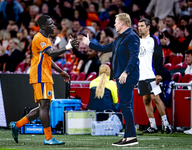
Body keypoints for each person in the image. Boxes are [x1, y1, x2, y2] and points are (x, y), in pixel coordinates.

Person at [10, 15, 78, 145]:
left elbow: (48, 59)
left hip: (44, 76)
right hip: (40, 76)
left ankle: (17, 125)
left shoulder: (45, 39)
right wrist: (67, 47)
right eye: (50, 24)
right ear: (43, 26)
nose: (53, 26)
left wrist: (61, 72)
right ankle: (48, 138)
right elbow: (51, 53)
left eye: (53, 23)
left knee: (44, 106)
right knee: (44, 107)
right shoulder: (40, 38)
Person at [83, 13, 139, 146]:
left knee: (126, 106)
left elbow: (134, 57)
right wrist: (89, 43)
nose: (114, 24)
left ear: (122, 23)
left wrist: (126, 72)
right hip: (121, 76)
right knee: (126, 106)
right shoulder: (120, 38)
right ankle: (129, 136)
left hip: (127, 76)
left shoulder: (132, 37)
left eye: (116, 22)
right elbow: (104, 48)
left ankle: (131, 137)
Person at [137, 18, 173, 134]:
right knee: (146, 99)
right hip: (141, 76)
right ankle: (152, 125)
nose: (140, 27)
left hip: (152, 74)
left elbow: (159, 57)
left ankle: (166, 124)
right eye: (139, 26)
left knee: (155, 98)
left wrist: (158, 74)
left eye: (142, 25)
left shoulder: (154, 39)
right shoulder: (136, 41)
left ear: (148, 27)